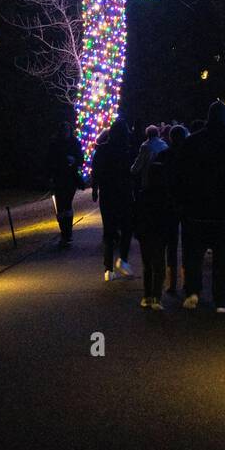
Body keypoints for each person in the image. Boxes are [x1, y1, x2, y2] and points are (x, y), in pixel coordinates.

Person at [171, 100, 225, 313]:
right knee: (224, 259)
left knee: (193, 256)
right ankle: (222, 298)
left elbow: (178, 176)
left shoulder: (192, 142)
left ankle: (192, 292)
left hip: (196, 211)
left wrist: (180, 205)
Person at [91, 116, 135, 280]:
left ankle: (108, 268)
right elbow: (132, 172)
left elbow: (96, 171)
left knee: (108, 229)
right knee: (126, 227)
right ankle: (123, 259)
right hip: (123, 193)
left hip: (107, 193)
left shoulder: (102, 150)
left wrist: (95, 189)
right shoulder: (127, 150)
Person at [132, 160, 175, 309]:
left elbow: (136, 214)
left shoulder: (142, 195)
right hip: (160, 233)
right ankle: (157, 296)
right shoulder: (166, 195)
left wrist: (136, 231)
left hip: (145, 233)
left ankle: (147, 295)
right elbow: (170, 216)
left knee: (147, 264)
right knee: (159, 264)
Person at [158, 123, 188, 293]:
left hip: (169, 203)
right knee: (187, 243)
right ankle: (186, 281)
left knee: (171, 244)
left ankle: (171, 283)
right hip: (186, 203)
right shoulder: (190, 156)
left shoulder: (164, 155)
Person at [46, 119, 84, 248]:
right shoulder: (55, 143)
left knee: (66, 204)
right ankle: (65, 233)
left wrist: (74, 160)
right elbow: (50, 161)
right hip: (59, 178)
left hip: (70, 178)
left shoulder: (74, 143)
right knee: (61, 207)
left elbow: (80, 158)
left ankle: (67, 234)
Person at [130, 124, 168, 191]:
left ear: (147, 134)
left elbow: (139, 163)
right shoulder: (164, 144)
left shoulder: (145, 146)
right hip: (162, 178)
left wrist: (132, 170)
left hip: (148, 178)